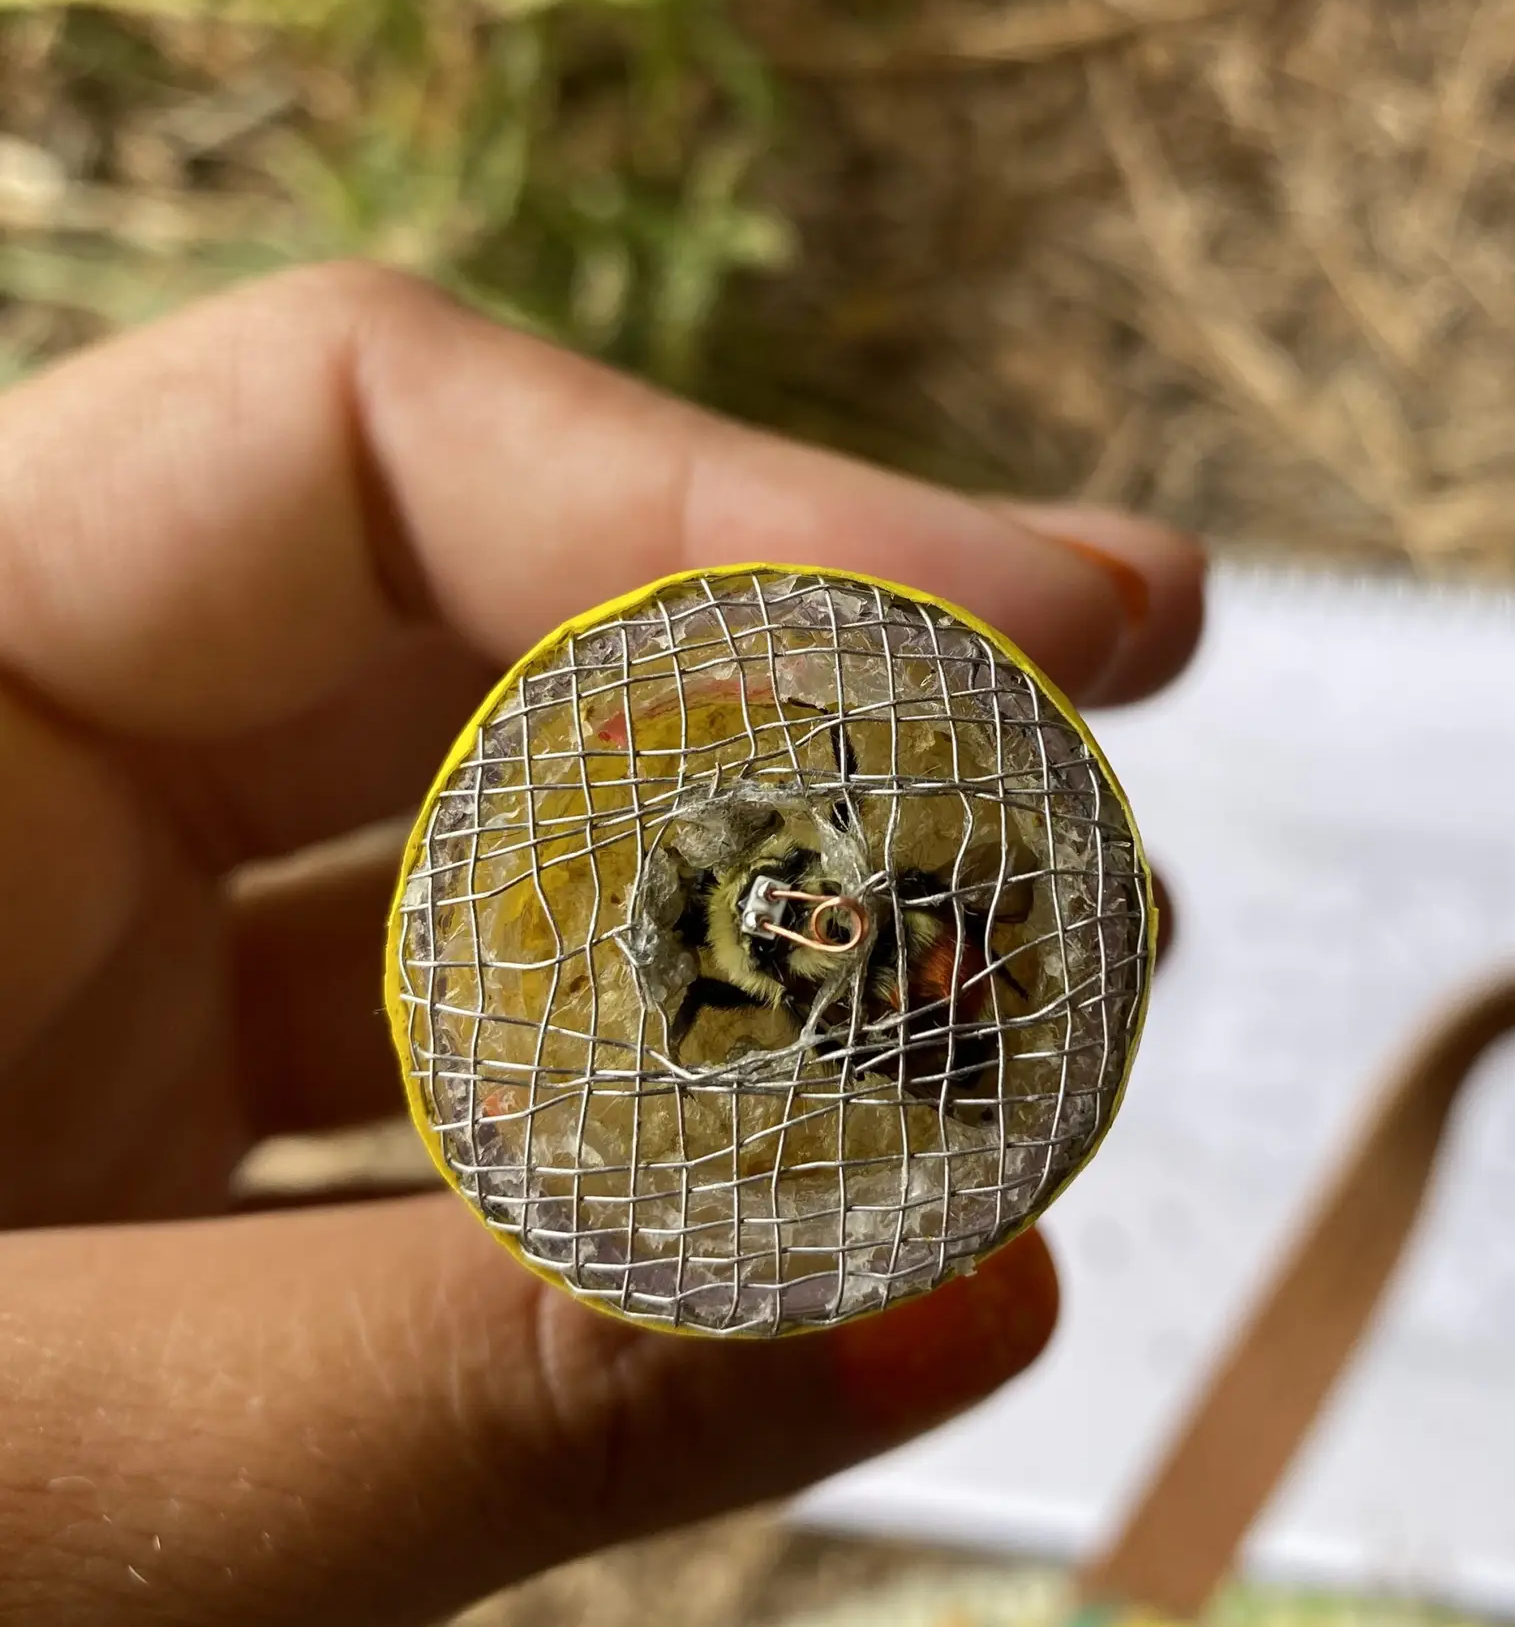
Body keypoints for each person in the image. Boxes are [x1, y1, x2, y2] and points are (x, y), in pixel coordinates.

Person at [0, 262, 1206, 1624]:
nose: (832, 932)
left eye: (844, 936)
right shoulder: (689, 983)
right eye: (828, 936)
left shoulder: (895, 904)